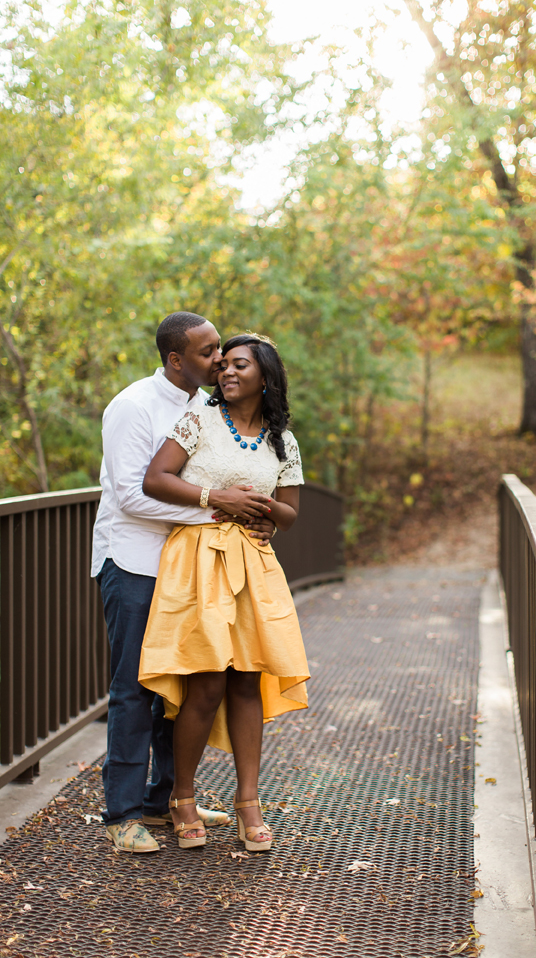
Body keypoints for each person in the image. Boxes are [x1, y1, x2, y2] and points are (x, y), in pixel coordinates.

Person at [91, 312, 275, 854]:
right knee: (134, 691)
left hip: (191, 570)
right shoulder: (132, 407)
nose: (220, 359)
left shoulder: (212, 407)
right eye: (208, 351)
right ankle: (122, 814)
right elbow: (131, 495)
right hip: (135, 564)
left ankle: (166, 800)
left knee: (186, 685)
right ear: (175, 359)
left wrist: (253, 514)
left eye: (222, 349)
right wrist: (219, 511)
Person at [138, 333, 309, 852]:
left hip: (253, 564)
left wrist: (261, 509)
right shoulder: (199, 421)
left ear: (266, 376)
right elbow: (155, 479)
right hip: (198, 560)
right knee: (206, 681)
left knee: (246, 681)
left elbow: (291, 512)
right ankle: (182, 798)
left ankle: (247, 802)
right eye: (224, 364)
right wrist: (219, 497)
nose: (227, 372)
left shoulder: (284, 440)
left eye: (240, 365)